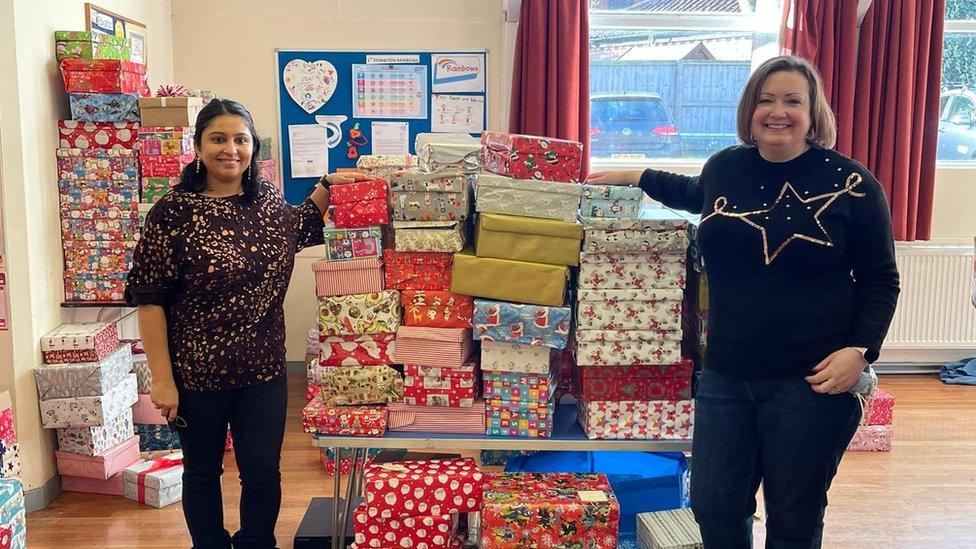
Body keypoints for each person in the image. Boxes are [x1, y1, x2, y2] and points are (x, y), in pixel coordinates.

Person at [588, 55, 900, 547]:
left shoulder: (853, 184)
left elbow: (882, 278)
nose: (778, 111)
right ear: (749, 109)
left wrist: (860, 351)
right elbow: (696, 193)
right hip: (727, 377)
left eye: (792, 100)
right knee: (713, 504)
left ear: (813, 113)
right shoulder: (726, 167)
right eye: (766, 99)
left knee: (793, 513)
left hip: (812, 380)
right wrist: (635, 174)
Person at [125, 98, 367, 549]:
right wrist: (163, 381)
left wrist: (329, 185)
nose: (230, 149)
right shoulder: (173, 212)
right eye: (218, 138)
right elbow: (150, 301)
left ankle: (258, 543)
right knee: (202, 472)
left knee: (261, 471)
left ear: (253, 147)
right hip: (197, 373)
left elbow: (303, 226)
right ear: (198, 147)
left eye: (241, 139)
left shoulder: (268, 203)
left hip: (264, 370)